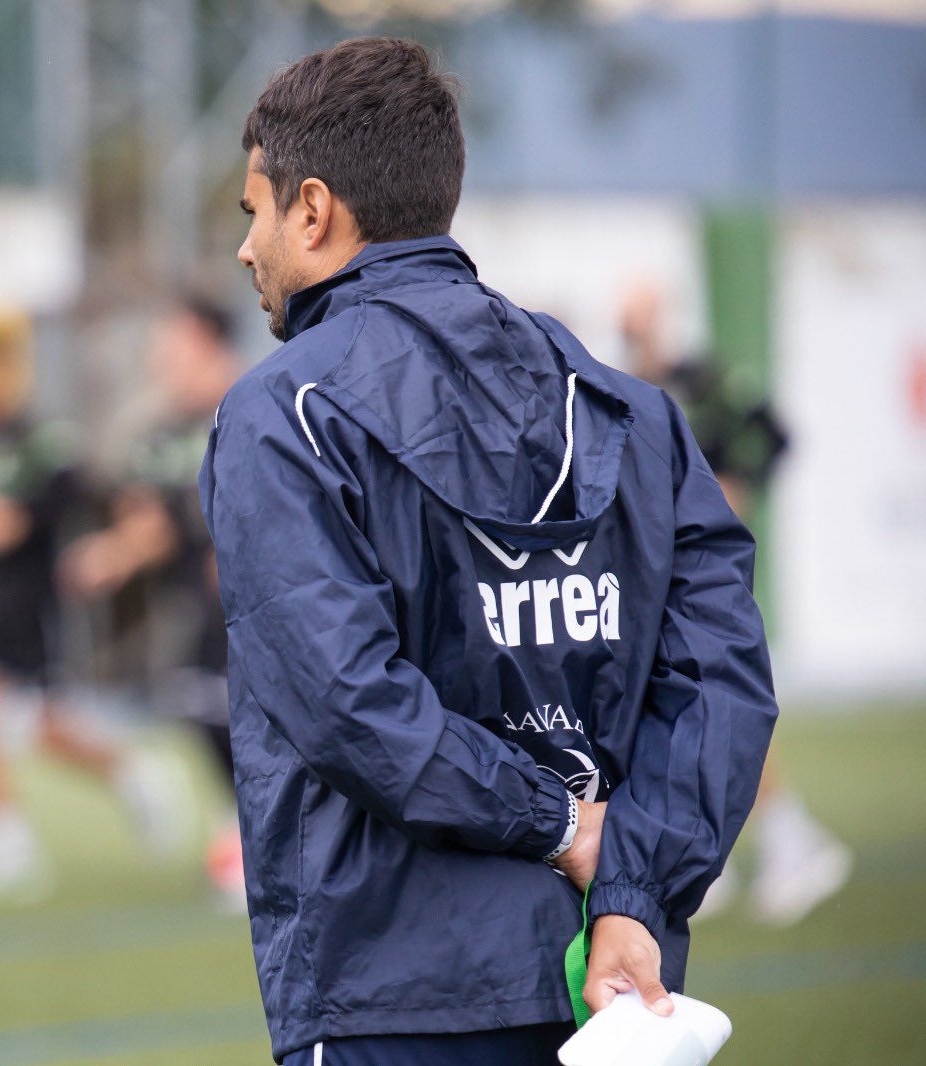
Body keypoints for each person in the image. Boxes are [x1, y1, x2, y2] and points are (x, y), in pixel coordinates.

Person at [199, 38, 777, 1065]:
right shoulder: (628, 406)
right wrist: (634, 893)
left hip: (393, 995)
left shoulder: (282, 411)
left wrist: (561, 823)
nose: (246, 249)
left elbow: (347, 700)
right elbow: (721, 682)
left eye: (253, 212)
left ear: (315, 209)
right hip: (609, 987)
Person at [623, 285, 850, 926]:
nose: (633, 327)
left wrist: (738, 486)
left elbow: (775, 435)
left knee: (716, 701)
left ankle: (790, 839)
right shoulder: (623, 386)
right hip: (655, 569)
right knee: (678, 706)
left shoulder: (702, 379)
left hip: (702, 564)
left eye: (639, 315)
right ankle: (703, 856)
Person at [0, 332, 177, 907]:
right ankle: (13, 844)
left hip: (38, 608)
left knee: (33, 730)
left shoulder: (40, 438)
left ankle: (128, 775)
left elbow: (68, 500)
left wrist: (21, 524)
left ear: (0, 373)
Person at [60, 298, 245, 905]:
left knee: (254, 719)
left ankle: (258, 839)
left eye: (174, 343)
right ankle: (249, 832)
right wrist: (109, 554)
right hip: (206, 608)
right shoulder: (160, 437)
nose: (162, 358)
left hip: (274, 601)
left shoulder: (256, 407)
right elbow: (145, 522)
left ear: (210, 342)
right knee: (201, 703)